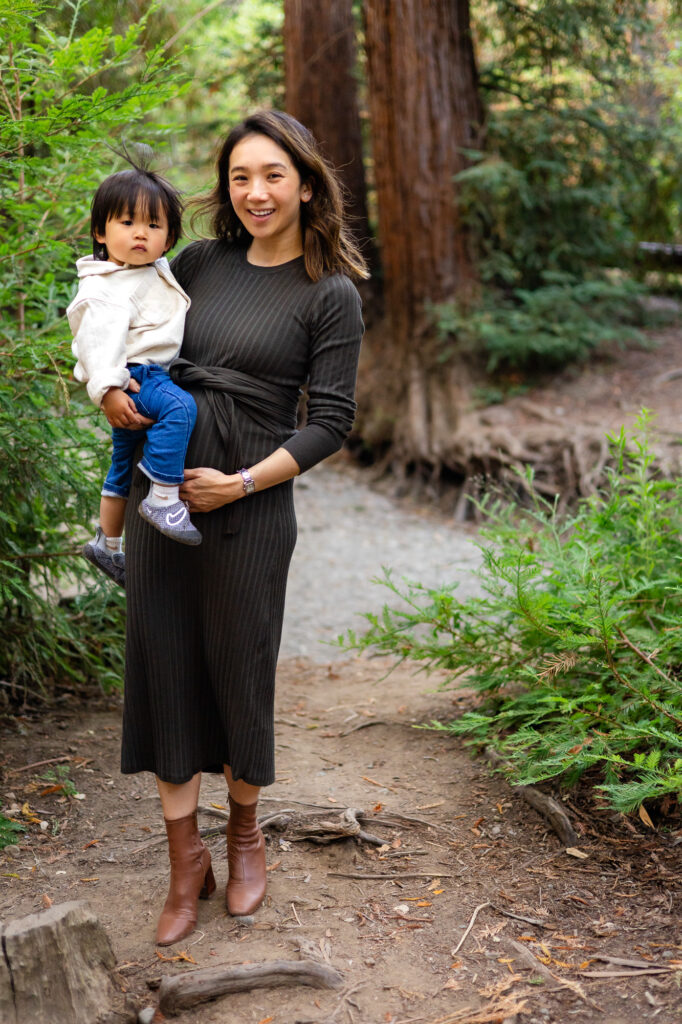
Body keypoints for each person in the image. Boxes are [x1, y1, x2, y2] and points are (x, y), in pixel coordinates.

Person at [118, 110, 368, 946]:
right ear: (226, 189)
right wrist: (113, 394)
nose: (255, 192)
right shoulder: (197, 263)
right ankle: (184, 860)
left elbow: (330, 422)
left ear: (305, 182)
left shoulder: (329, 292)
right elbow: (134, 344)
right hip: (166, 495)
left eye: (272, 175)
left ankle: (245, 835)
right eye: (239, 177)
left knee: (239, 662)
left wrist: (243, 484)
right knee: (165, 663)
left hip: (249, 506)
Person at [68, 162, 202, 589]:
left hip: (130, 377)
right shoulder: (105, 287)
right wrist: (107, 389)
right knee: (181, 407)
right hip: (139, 376)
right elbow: (97, 342)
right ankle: (163, 498)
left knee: (122, 464)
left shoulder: (149, 269)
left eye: (153, 224)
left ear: (170, 238)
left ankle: (106, 544)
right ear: (101, 233)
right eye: (127, 222)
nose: (140, 233)